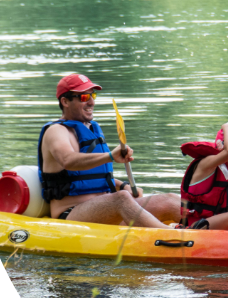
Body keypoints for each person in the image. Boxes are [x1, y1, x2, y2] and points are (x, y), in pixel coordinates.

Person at [38, 73, 181, 228]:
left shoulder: (91, 129)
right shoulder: (56, 130)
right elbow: (68, 161)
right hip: (72, 213)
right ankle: (174, 238)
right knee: (121, 199)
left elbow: (92, 177)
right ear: (65, 101)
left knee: (170, 200)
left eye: (92, 96)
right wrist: (110, 156)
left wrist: (123, 185)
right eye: (84, 97)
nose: (91, 102)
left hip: (107, 209)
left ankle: (204, 227)